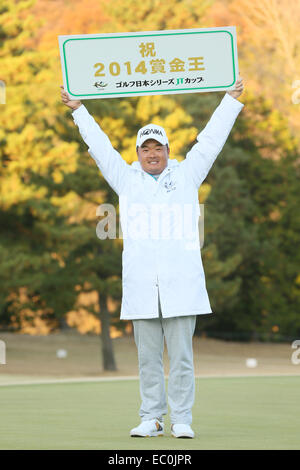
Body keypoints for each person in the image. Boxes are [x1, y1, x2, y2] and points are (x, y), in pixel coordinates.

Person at [60, 75, 244, 438]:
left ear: (168, 150)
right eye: (146, 148)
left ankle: (182, 419)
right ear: (138, 153)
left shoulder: (188, 175)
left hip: (181, 284)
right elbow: (101, 148)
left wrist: (230, 99)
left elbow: (210, 142)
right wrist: (79, 110)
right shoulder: (126, 179)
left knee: (181, 360)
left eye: (158, 147)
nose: (152, 153)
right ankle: (151, 418)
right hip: (143, 285)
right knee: (147, 359)